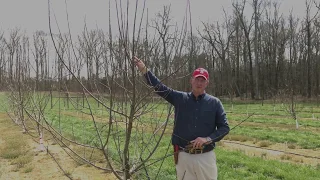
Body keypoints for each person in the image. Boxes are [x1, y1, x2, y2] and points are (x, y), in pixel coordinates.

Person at [133, 56, 230, 180]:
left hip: (205, 157)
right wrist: (144, 70)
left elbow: (224, 128)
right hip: (184, 156)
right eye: (197, 79)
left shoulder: (215, 103)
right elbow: (160, 88)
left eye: (202, 80)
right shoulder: (180, 98)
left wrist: (207, 139)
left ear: (207, 83)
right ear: (191, 80)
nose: (199, 83)